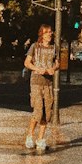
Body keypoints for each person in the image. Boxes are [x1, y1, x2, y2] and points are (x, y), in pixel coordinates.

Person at [24, 24, 56, 154]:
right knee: (38, 111)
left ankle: (41, 138)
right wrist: (38, 69)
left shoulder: (54, 48)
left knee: (47, 112)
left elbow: (57, 62)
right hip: (36, 82)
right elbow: (27, 63)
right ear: (41, 34)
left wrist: (53, 69)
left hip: (48, 83)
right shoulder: (34, 47)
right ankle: (30, 135)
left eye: (50, 32)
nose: (49, 34)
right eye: (47, 32)